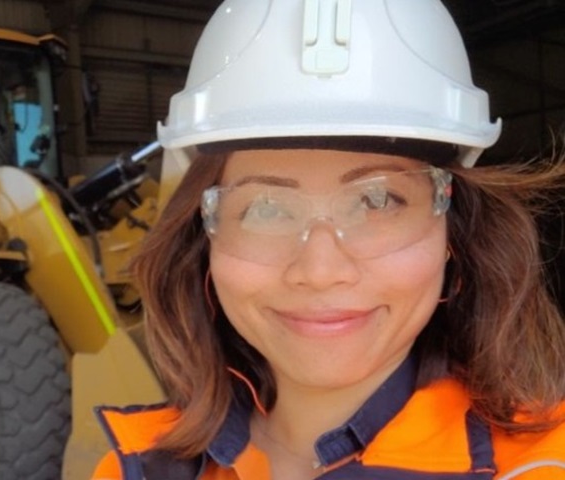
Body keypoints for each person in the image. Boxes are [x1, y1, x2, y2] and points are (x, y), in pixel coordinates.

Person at [91, 0, 565, 479]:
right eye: (266, 208)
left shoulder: (542, 462)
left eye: (378, 202)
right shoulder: (134, 467)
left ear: (450, 231)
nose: (320, 271)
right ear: (203, 238)